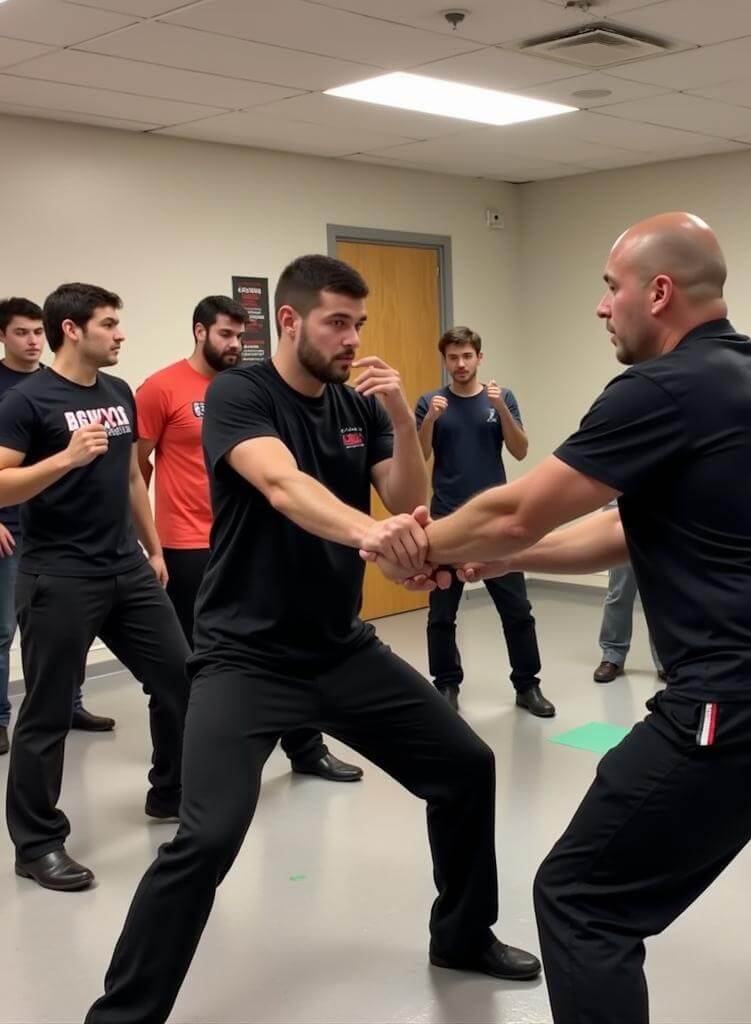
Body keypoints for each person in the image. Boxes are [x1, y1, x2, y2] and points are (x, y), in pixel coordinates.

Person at [370, 213, 751, 1024]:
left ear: (658, 292)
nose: (601, 307)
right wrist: (513, 561)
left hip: (743, 698)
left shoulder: (661, 389)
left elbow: (514, 508)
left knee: (583, 899)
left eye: (610, 288)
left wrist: (402, 544)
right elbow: (628, 528)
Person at [86, 256, 539, 1024]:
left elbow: (409, 496)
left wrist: (399, 414)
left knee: (466, 767)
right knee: (207, 839)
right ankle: (123, 1014)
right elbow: (282, 484)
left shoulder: (353, 405)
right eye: (338, 321)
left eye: (359, 324)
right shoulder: (241, 394)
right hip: (246, 658)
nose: (352, 339)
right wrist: (380, 539)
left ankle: (462, 935)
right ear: (289, 321)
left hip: (341, 649)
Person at [0, 283, 189, 892]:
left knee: (182, 679)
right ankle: (37, 844)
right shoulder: (27, 400)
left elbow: (134, 475)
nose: (121, 334)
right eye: (110, 323)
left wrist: (153, 547)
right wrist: (63, 460)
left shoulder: (118, 392)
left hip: (125, 568)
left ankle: (171, 793)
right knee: (48, 712)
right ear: (73, 329)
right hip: (58, 574)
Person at [136, 293, 363, 782]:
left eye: (241, 335)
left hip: (257, 541)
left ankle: (306, 748)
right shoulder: (160, 388)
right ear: (200, 331)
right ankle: (178, 778)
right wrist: (151, 543)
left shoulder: (254, 388)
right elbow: (137, 469)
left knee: (290, 641)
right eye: (226, 334)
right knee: (193, 667)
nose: (237, 344)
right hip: (191, 543)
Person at [415, 326, 552, 717]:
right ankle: (446, 685)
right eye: (453, 357)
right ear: (445, 360)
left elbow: (521, 451)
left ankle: (527, 685)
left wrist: (503, 409)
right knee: (442, 613)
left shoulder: (501, 398)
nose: (460, 364)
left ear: (479, 358)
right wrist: (429, 421)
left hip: (496, 524)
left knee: (517, 610)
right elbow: (419, 453)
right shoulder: (430, 402)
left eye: (467, 356)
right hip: (445, 521)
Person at [0, 297, 114, 756]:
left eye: (35, 332)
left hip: (66, 530)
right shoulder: (14, 396)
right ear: (3, 336)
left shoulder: (64, 383)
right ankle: (2, 717)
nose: (31, 342)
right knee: (5, 631)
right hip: (11, 527)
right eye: (20, 333)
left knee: (68, 631)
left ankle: (73, 703)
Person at [592, 500, 665, 683]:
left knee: (660, 595)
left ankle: (666, 660)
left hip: (660, 511)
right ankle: (612, 656)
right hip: (621, 512)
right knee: (619, 592)